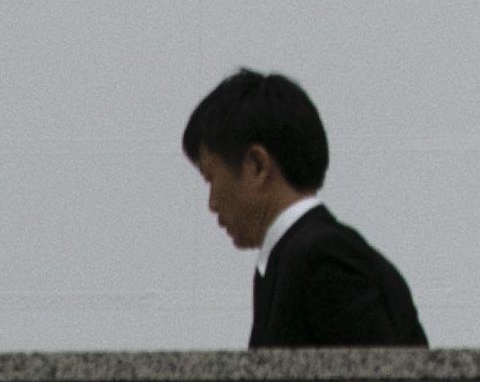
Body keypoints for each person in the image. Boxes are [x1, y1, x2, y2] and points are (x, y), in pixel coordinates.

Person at [180, 67, 427, 348]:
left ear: (257, 165)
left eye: (211, 178)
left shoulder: (321, 259)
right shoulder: (296, 258)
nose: (211, 203)